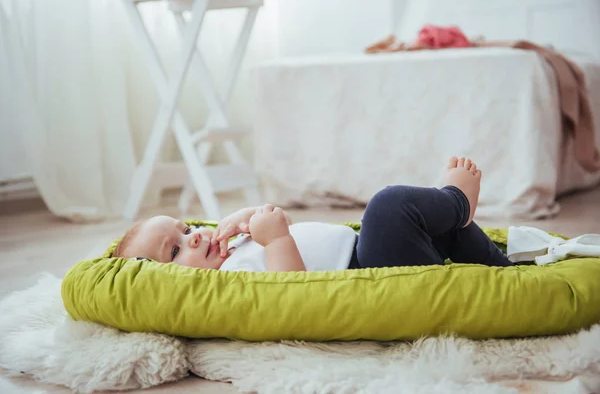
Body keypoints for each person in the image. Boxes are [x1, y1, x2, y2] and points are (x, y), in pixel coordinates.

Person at [112, 156, 513, 271]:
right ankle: (458, 202)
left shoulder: (229, 250)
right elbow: (291, 293)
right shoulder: (230, 283)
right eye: (176, 251)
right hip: (365, 273)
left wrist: (248, 217)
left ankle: (502, 270)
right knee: (387, 207)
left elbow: (274, 221)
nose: (194, 237)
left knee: (441, 231)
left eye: (184, 230)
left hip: (367, 251)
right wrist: (276, 240)